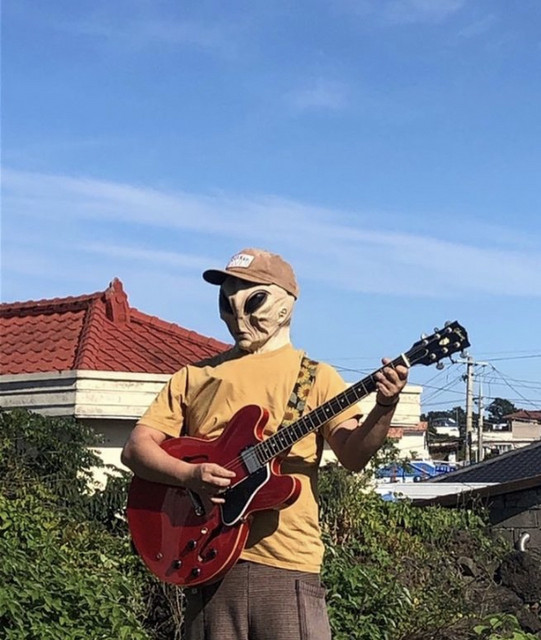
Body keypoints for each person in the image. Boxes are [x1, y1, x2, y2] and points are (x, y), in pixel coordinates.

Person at [121, 248, 408, 640]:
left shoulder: (316, 377)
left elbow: (353, 455)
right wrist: (190, 475)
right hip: (207, 558)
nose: (237, 315)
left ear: (284, 306)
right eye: (226, 302)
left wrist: (385, 407)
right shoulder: (194, 376)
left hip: (288, 564)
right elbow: (137, 449)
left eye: (252, 300)